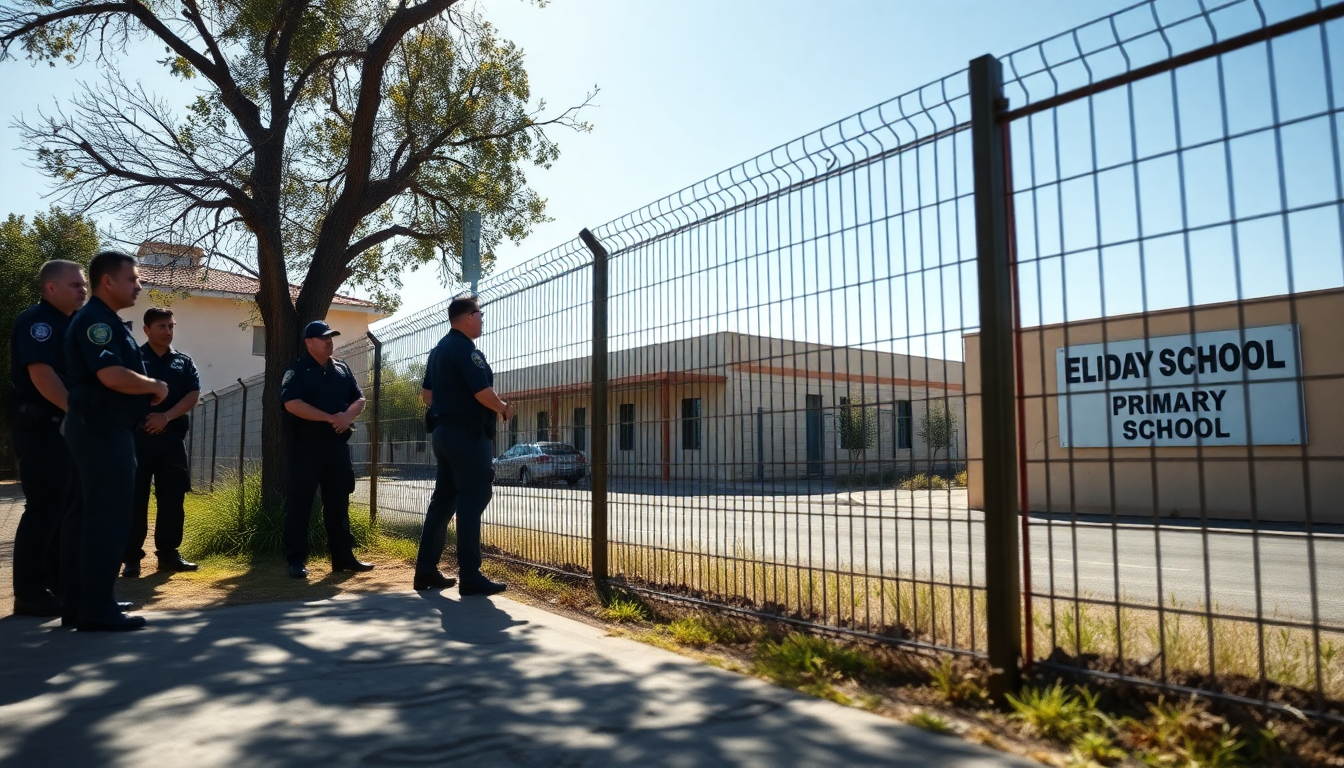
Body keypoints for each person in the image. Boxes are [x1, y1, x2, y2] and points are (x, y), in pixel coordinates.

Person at [62, 251, 167, 631]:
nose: (139, 285)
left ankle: (82, 602)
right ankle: (95, 607)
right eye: (132, 279)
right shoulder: (98, 322)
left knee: (85, 517)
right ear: (108, 281)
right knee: (107, 517)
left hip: (97, 428)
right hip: (102, 429)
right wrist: (154, 385)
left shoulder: (104, 320)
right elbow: (111, 375)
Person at [414, 295, 511, 596]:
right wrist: (503, 408)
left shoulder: (439, 350)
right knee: (473, 497)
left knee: (444, 500)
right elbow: (482, 392)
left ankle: (425, 570)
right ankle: (470, 575)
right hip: (468, 435)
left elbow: (426, 395)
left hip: (444, 433)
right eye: (480, 315)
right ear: (469, 317)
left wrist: (450, 404)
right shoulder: (465, 350)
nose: (482, 320)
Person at [9, 260, 88, 617]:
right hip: (43, 427)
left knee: (67, 509)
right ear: (51, 288)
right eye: (75, 285)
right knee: (45, 508)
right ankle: (30, 592)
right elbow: (42, 377)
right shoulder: (38, 322)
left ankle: (61, 586)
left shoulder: (76, 324)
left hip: (66, 428)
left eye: (83, 284)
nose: (83, 290)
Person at [279, 320, 373, 579]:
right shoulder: (297, 369)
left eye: (331, 337)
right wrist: (329, 418)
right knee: (300, 503)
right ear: (308, 342)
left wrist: (347, 416)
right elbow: (292, 403)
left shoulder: (341, 368)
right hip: (306, 447)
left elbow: (359, 398)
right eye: (323, 338)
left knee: (339, 502)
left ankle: (343, 557)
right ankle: (296, 560)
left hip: (337, 446)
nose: (329, 341)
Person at [122, 307, 201, 577]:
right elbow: (122, 392)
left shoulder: (183, 362)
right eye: (161, 326)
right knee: (134, 498)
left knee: (172, 498)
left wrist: (166, 417)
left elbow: (193, 394)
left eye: (171, 326)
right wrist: (146, 419)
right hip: (138, 440)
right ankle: (131, 558)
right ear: (146, 330)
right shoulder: (133, 359)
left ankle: (168, 555)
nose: (168, 331)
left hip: (171, 440)